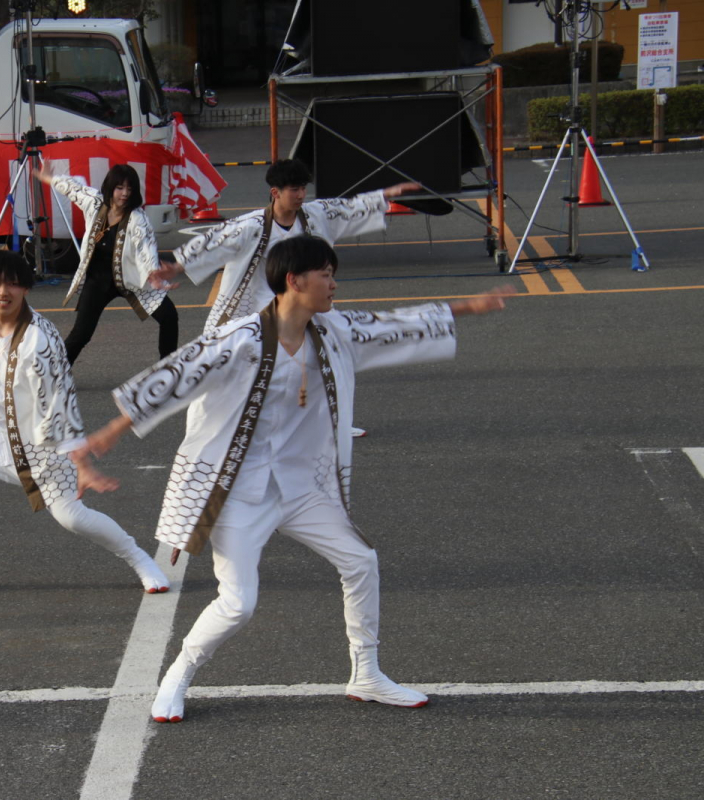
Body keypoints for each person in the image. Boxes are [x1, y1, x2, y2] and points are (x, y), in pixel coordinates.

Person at [82, 235, 511, 722]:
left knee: (360, 561)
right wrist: (109, 433)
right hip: (241, 492)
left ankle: (366, 672)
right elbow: (177, 376)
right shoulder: (239, 339)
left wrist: (467, 308)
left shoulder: (331, 331)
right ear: (294, 280)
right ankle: (179, 672)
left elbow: (393, 323)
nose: (333, 284)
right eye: (325, 274)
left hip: (303, 486)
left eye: (333, 274)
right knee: (239, 604)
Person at [0, 162, 169, 600]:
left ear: (26, 289)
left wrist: (81, 462)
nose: (1, 292)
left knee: (73, 517)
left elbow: (58, 406)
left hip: (42, 448)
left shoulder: (42, 342)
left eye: (12, 285)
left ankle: (140, 559)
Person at [152, 159, 420, 437]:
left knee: (333, 357)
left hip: (305, 306)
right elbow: (211, 243)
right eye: (294, 189)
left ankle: (333, 423)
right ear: (275, 192)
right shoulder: (251, 226)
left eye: (303, 188)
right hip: (255, 309)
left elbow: (348, 208)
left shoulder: (315, 215)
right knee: (226, 367)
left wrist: (387, 195)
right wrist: (175, 266)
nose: (301, 195)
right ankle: (211, 429)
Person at [36, 162, 178, 365]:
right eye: (120, 188)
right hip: (97, 280)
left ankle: (169, 368)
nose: (125, 193)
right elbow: (73, 189)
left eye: (130, 188)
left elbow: (145, 249)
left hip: (133, 279)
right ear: (110, 188)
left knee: (169, 316)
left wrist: (153, 273)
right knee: (81, 334)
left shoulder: (139, 219)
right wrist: (49, 178)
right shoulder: (94, 203)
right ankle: (56, 375)